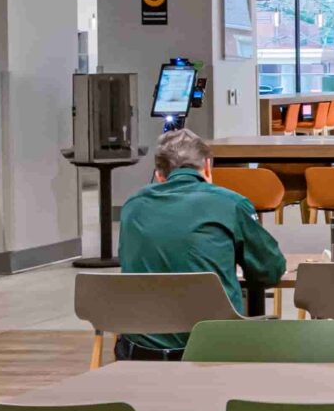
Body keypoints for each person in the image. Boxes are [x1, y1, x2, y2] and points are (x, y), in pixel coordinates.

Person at [113, 128, 285, 359]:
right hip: (215, 352)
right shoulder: (230, 204)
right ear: (207, 167)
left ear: (159, 175)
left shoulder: (133, 206)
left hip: (140, 355)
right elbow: (270, 271)